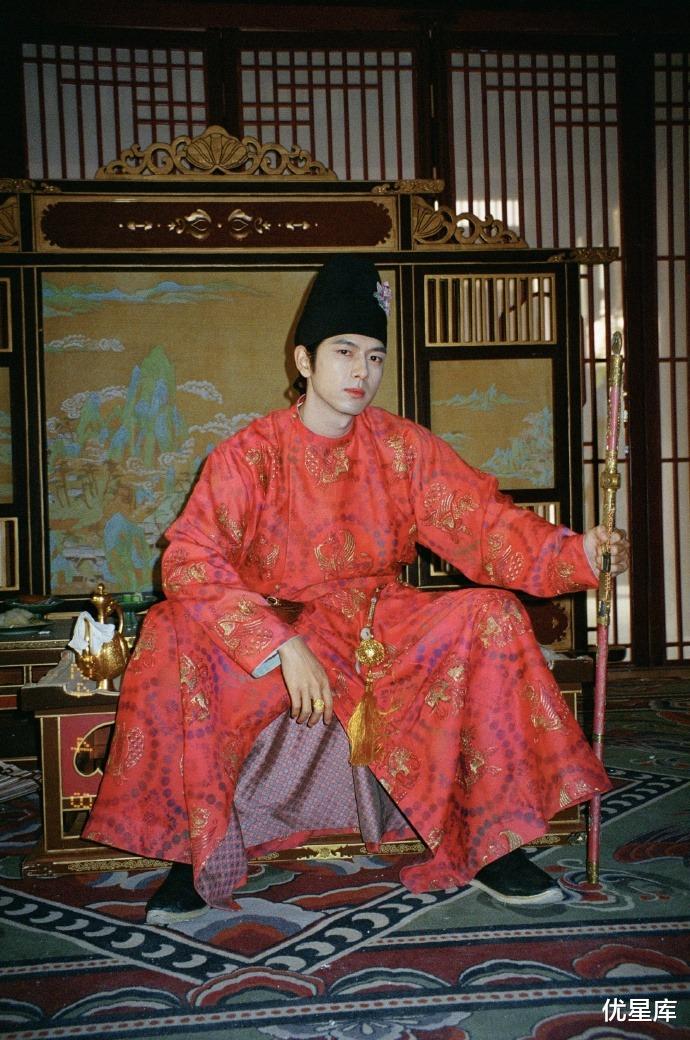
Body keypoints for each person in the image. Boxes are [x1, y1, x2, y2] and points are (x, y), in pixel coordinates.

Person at [84, 255, 630, 926]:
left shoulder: (402, 449)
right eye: (344, 352)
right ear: (304, 360)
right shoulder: (250, 454)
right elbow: (191, 559)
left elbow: (484, 525)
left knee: (491, 612)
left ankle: (492, 841)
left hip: (377, 618)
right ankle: (193, 852)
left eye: (374, 357)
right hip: (273, 618)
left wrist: (579, 552)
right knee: (171, 627)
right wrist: (279, 645)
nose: (361, 372)